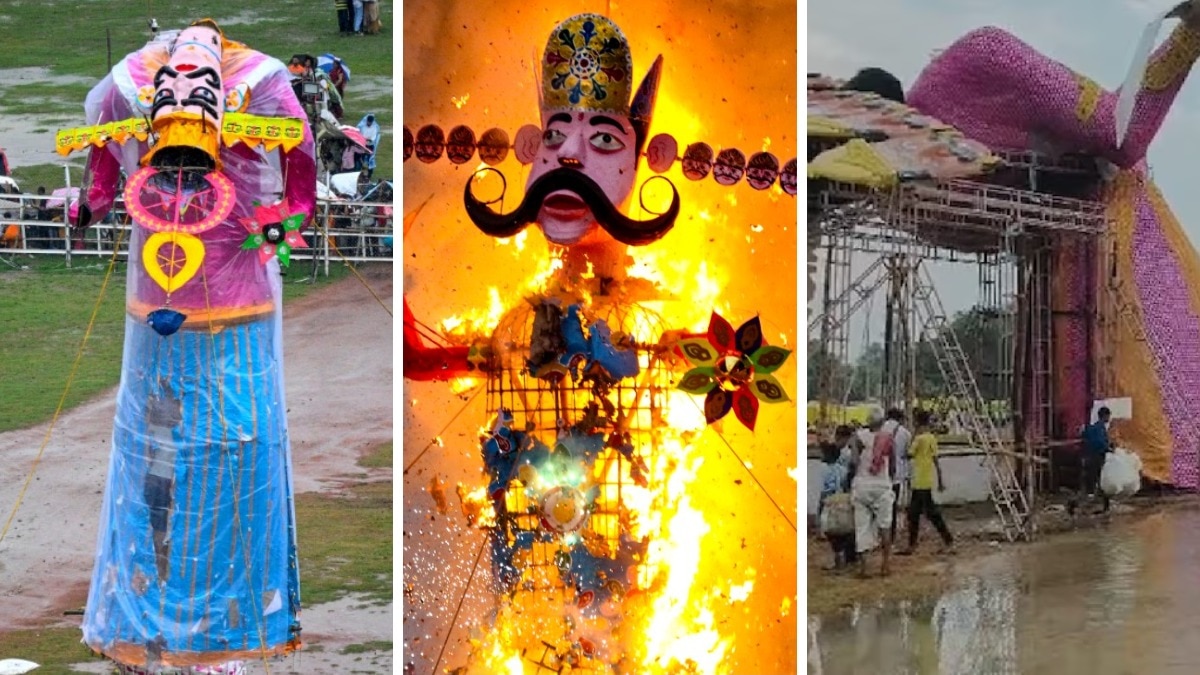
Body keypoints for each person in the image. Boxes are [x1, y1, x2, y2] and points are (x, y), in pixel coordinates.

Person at [897, 409, 955, 555]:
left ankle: (916, 545)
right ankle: (945, 541)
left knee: (920, 513)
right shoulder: (931, 438)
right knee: (923, 513)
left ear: (917, 422)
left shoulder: (919, 439)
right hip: (927, 480)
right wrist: (940, 480)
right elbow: (936, 461)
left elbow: (908, 454)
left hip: (918, 481)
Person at [851, 406, 895, 577]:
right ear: (882, 422)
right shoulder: (888, 438)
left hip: (862, 485)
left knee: (861, 527)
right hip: (882, 486)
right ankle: (885, 565)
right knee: (885, 525)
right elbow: (892, 466)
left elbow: (854, 462)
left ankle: (864, 568)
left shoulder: (858, 437)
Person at [818, 427, 858, 570]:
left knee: (833, 531)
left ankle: (841, 558)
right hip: (843, 498)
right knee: (846, 528)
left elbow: (822, 489)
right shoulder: (843, 468)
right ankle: (849, 558)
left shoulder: (824, 469)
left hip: (830, 501)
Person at [1075, 406, 1114, 515]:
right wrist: (1109, 448)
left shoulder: (1092, 428)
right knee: (1097, 483)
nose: (1109, 418)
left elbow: (1083, 435)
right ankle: (1078, 505)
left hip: (1089, 459)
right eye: (1108, 416)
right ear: (1105, 416)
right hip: (1096, 459)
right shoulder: (1100, 428)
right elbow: (1099, 443)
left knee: (1094, 483)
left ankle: (1104, 506)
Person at [881, 407, 912, 543]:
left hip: (879, 473)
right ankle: (890, 537)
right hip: (896, 475)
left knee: (879, 506)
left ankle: (877, 535)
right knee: (891, 507)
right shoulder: (905, 433)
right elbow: (907, 453)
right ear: (900, 418)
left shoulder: (880, 429)